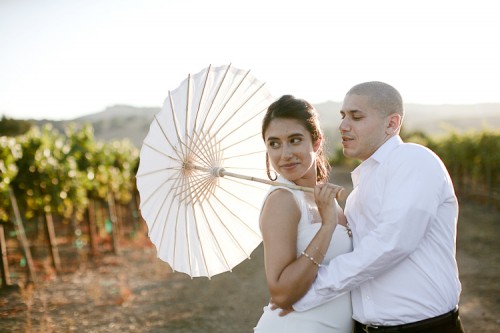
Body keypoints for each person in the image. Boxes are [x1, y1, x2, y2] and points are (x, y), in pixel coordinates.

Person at [285, 82, 465, 332]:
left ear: (391, 124)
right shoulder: (359, 190)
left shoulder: (414, 160)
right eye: (343, 116)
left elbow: (391, 242)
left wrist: (309, 292)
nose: (343, 126)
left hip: (424, 328)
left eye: (356, 117)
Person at [253, 95, 354, 333]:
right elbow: (282, 293)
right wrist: (327, 227)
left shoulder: (323, 197)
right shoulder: (283, 200)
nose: (284, 153)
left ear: (316, 142)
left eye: (294, 140)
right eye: (274, 143)